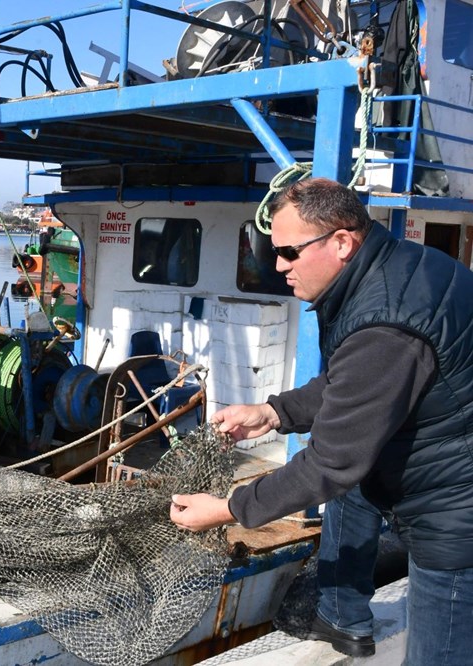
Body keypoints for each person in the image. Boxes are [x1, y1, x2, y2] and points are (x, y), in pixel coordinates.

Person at [169, 177, 473, 665]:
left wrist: (228, 508)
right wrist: (274, 413)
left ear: (342, 242)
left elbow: (331, 462)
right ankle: (341, 614)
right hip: (447, 472)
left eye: (289, 252)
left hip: (454, 517)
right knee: (356, 484)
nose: (278, 265)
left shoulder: (385, 322)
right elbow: (350, 382)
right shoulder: (403, 265)